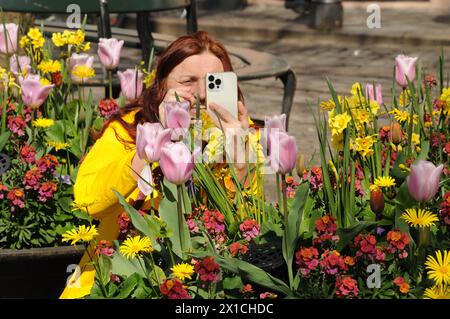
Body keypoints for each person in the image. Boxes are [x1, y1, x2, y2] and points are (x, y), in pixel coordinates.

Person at [60, 31, 254, 299]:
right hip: (118, 272)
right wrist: (153, 143)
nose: (200, 94)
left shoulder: (238, 135)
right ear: (161, 84)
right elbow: (88, 201)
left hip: (203, 280)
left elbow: (245, 226)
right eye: (188, 81)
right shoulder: (128, 128)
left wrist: (239, 160)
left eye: (213, 83)